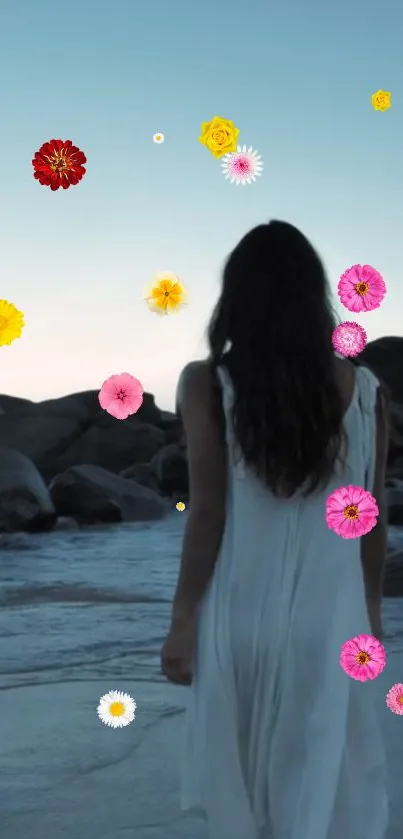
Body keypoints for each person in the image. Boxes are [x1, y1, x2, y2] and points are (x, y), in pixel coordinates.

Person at [160, 221, 389, 839]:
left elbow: (207, 511)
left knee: (252, 790)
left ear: (237, 296)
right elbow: (369, 516)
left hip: (241, 614)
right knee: (324, 786)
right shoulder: (364, 389)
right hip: (332, 617)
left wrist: (183, 621)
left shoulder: (206, 383)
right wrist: (369, 613)